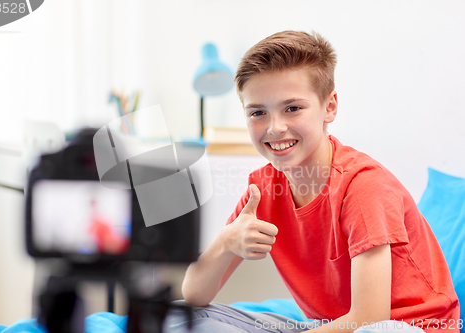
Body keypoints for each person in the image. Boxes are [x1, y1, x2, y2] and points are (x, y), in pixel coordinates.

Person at [167, 31, 460, 333]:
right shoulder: (263, 188)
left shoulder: (362, 186)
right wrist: (227, 241)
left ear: (329, 107)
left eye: (292, 108)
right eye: (258, 113)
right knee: (179, 315)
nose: (275, 128)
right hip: (327, 326)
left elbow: (370, 318)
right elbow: (194, 293)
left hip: (407, 327)